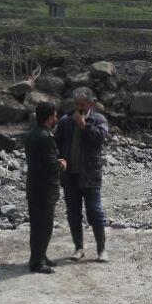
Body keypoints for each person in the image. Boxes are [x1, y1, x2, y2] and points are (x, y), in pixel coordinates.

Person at [55, 88, 110, 262]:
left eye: (82, 104)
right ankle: (78, 248)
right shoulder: (65, 121)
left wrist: (84, 126)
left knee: (95, 212)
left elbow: (100, 139)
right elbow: (57, 144)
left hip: (91, 175)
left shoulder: (99, 119)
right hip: (70, 176)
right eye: (76, 104)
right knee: (73, 213)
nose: (78, 107)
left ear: (91, 104)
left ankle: (102, 249)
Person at [25, 101, 66, 274]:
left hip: (34, 186)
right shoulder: (45, 137)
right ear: (50, 118)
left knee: (38, 225)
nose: (56, 118)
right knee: (43, 226)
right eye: (55, 115)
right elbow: (51, 165)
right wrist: (62, 164)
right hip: (44, 188)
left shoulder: (32, 133)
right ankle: (37, 262)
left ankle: (40, 256)